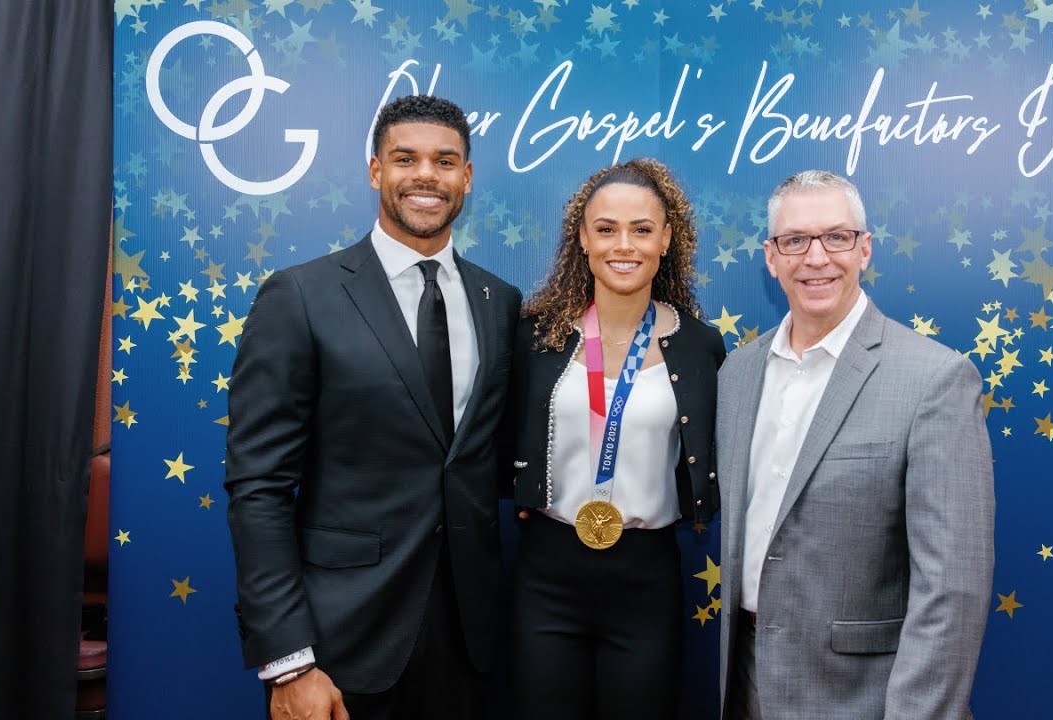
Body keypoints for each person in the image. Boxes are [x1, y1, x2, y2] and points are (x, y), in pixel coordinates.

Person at [224, 95, 521, 720]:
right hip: (340, 641)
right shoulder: (301, 295)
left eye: (445, 161)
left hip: (467, 643)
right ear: (375, 170)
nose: (426, 176)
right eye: (405, 158)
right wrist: (289, 661)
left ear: (467, 177)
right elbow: (259, 487)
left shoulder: (499, 301)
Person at [717, 170, 995, 719]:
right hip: (747, 685)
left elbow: (952, 586)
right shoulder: (737, 374)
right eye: (795, 240)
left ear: (864, 249)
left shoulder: (935, 379)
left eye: (836, 237)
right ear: (771, 258)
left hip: (866, 698)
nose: (816, 257)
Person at [508, 158, 725, 720]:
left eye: (641, 229)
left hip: (646, 577)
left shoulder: (700, 346)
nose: (623, 245)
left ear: (666, 239)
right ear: (582, 238)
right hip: (546, 573)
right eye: (606, 229)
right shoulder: (535, 337)